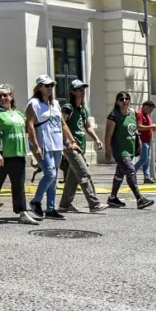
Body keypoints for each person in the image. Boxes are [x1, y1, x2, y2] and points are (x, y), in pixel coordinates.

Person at [0, 85, 39, 224]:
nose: (2, 98)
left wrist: (34, 150)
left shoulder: (19, 114)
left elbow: (27, 132)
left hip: (18, 154)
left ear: (11, 97)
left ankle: (22, 213)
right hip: (1, 156)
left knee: (19, 185)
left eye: (5, 95)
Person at [26, 75, 78, 220]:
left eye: (52, 85)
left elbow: (62, 124)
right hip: (43, 144)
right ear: (40, 87)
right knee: (50, 173)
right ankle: (36, 200)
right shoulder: (34, 103)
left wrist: (71, 140)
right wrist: (35, 145)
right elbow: (30, 125)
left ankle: (50, 208)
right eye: (47, 85)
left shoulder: (55, 103)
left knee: (54, 177)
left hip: (56, 144)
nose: (50, 88)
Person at [57, 80, 108, 213]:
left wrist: (96, 139)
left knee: (73, 178)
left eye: (83, 89)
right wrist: (68, 142)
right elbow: (61, 125)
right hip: (71, 147)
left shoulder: (83, 110)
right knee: (84, 174)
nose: (82, 92)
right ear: (73, 92)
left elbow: (87, 126)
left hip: (80, 148)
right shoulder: (68, 108)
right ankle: (94, 203)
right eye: (79, 89)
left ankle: (65, 204)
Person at [105, 92, 155, 210]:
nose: (124, 101)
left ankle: (112, 198)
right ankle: (139, 199)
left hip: (130, 148)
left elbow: (135, 129)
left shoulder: (132, 113)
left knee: (120, 173)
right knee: (130, 170)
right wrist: (107, 150)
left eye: (127, 98)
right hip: (119, 149)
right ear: (117, 102)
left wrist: (139, 143)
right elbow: (108, 135)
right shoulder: (114, 115)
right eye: (121, 99)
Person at [134, 100, 156, 184]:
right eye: (151, 109)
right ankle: (131, 171)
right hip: (142, 140)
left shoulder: (147, 115)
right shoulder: (140, 114)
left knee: (147, 160)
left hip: (147, 140)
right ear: (145, 107)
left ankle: (147, 177)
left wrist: (154, 128)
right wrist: (151, 127)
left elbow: (147, 128)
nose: (151, 111)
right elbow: (138, 127)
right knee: (144, 159)